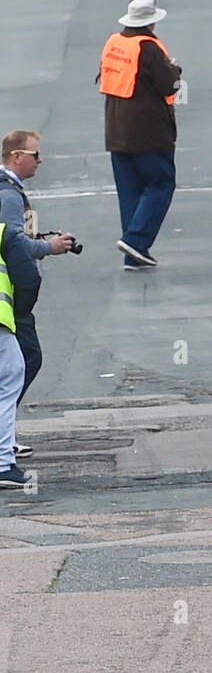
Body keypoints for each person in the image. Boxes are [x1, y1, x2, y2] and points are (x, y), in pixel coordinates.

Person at [0, 133, 74, 448]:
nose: (40, 160)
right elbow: (12, 241)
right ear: (16, 156)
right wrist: (48, 247)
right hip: (9, 297)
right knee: (27, 358)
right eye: (35, 154)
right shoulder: (9, 195)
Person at [99, 0, 181, 269]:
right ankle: (135, 241)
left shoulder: (114, 43)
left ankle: (134, 253)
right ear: (152, 21)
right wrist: (174, 68)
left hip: (116, 130)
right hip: (148, 131)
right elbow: (169, 85)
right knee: (161, 182)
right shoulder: (149, 47)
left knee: (130, 192)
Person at [0, 218, 38, 488]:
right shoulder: (4, 233)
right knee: (11, 379)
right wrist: (20, 312)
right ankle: (2, 464)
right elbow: (28, 279)